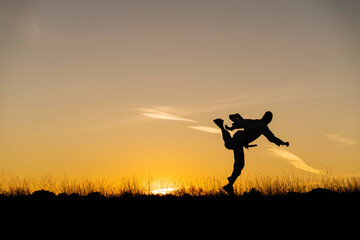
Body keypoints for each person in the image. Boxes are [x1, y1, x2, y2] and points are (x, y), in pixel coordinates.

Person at [213, 111, 289, 195]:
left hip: (240, 139)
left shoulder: (256, 122)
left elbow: (244, 123)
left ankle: (229, 184)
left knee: (240, 164)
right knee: (230, 146)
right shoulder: (262, 126)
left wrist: (233, 128)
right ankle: (221, 126)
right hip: (240, 139)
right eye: (270, 119)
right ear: (268, 119)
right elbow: (271, 137)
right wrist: (283, 142)